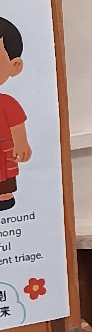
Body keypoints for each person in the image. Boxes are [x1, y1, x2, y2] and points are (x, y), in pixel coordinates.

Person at [0, 18, 31, 210]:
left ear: (15, 66)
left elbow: (16, 125)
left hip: (2, 150)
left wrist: (21, 144)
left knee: (4, 179)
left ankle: (4, 198)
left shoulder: (7, 103)